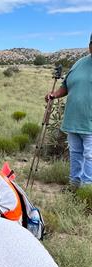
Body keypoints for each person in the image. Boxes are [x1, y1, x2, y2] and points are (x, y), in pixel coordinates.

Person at [45, 33, 92, 188]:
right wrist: (54, 95)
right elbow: (66, 86)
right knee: (75, 154)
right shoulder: (79, 63)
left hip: (90, 123)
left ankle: (86, 191)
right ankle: (74, 186)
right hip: (73, 120)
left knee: (90, 157)